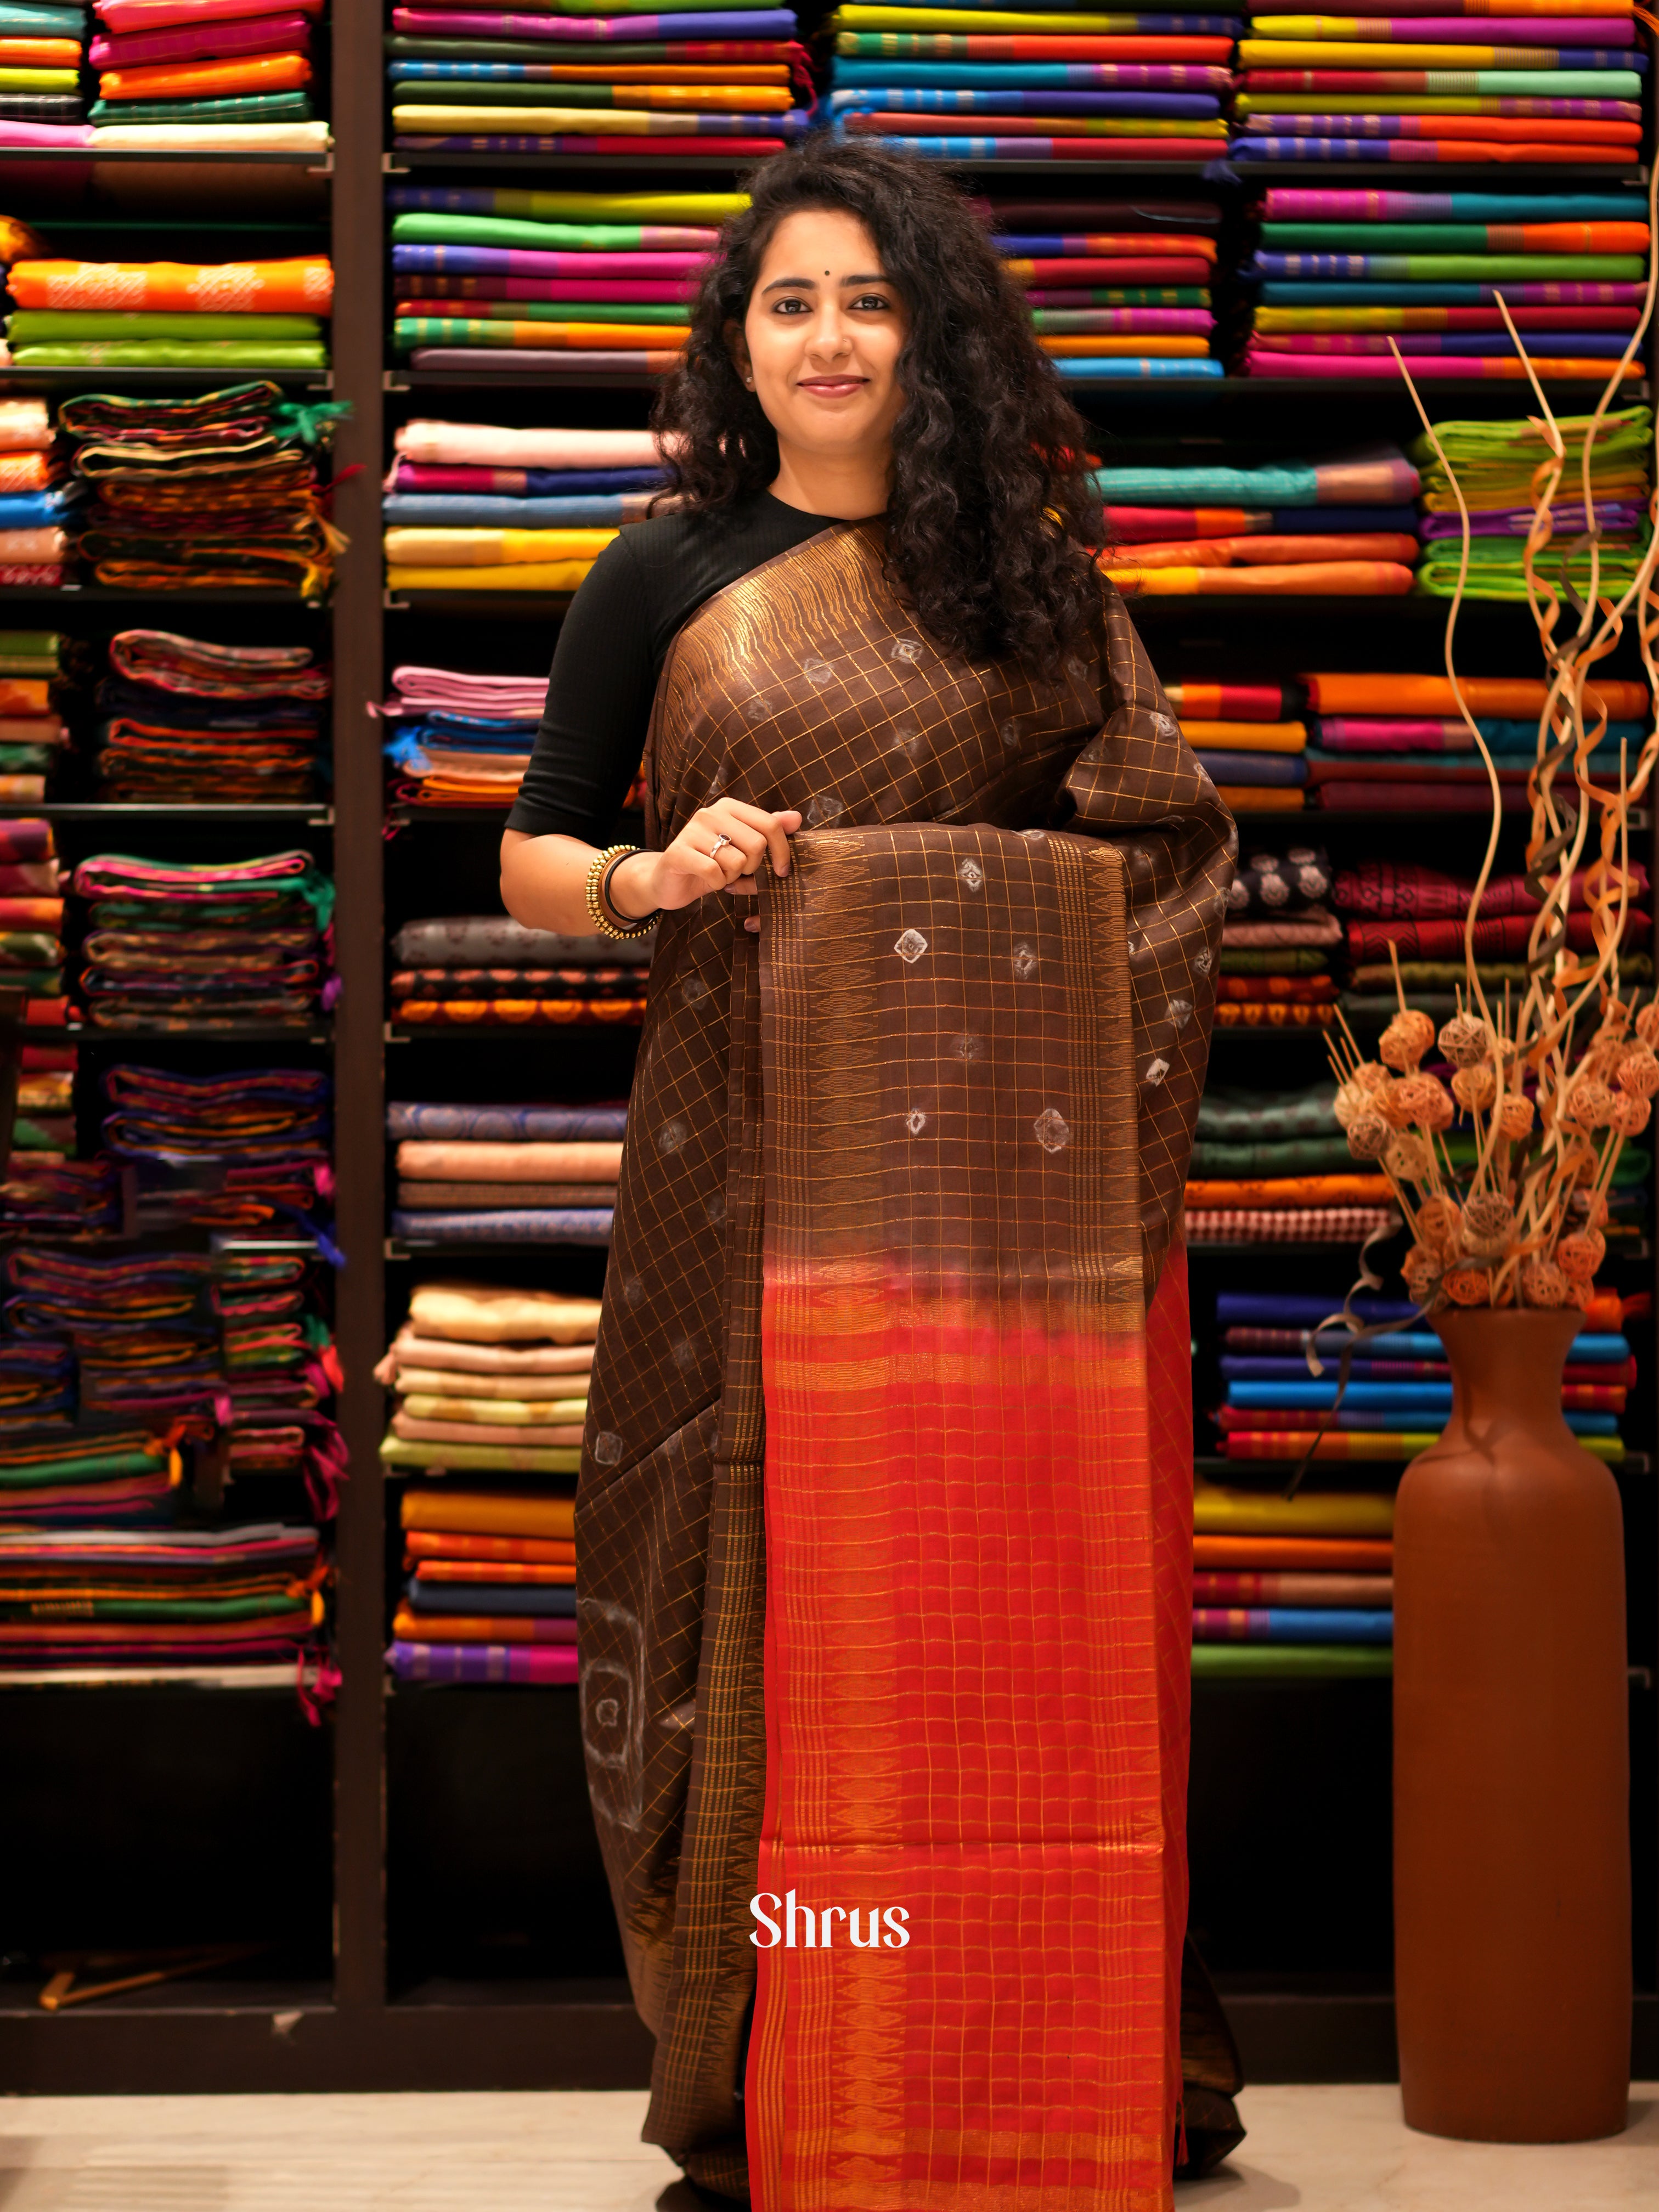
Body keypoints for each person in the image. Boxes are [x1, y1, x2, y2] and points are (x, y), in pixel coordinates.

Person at [500, 138, 1236, 2211]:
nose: (829, 336)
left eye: (870, 298)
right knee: (758, 1590)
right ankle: (782, 2053)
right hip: (740, 1173)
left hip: (1003, 1212)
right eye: (790, 301)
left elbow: (1164, 857)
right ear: (743, 342)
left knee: (983, 1600)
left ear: (934, 334)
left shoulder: (1030, 580)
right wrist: (662, 866)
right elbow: (532, 853)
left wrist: (903, 893)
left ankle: (1024, 2043)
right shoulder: (665, 570)